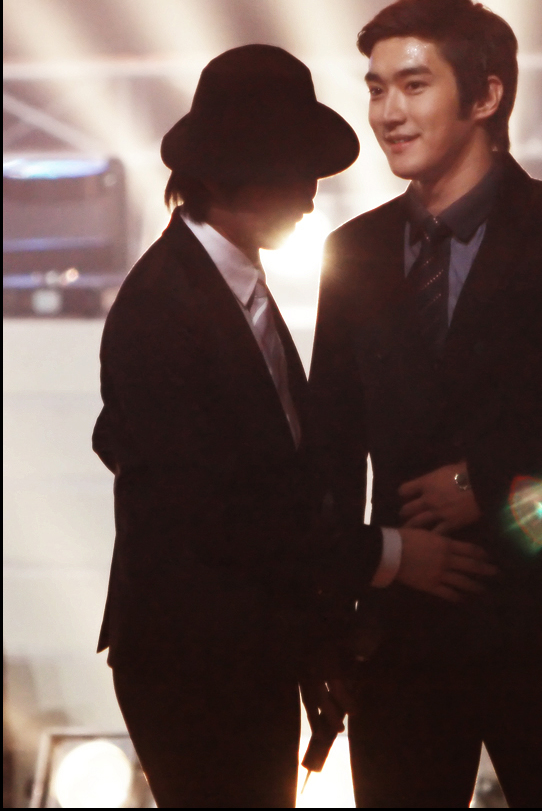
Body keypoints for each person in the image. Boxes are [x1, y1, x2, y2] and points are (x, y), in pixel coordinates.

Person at [308, 0, 542, 808]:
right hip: (402, 636)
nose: (387, 113)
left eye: (414, 85)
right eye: (376, 88)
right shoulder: (353, 252)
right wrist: (332, 618)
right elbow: (329, 452)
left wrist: (492, 477)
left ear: (486, 95)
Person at [92, 44, 494, 808]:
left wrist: (319, 635)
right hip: (193, 658)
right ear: (225, 176)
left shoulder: (227, 286)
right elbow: (218, 513)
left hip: (242, 648)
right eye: (292, 168)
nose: (312, 193)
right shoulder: (162, 309)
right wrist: (390, 554)